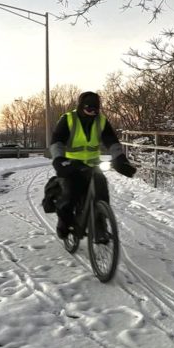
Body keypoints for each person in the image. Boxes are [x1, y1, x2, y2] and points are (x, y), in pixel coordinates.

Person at [50, 91, 137, 239]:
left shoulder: (101, 121)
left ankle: (100, 225)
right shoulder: (69, 119)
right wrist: (58, 159)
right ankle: (64, 223)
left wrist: (120, 158)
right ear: (81, 107)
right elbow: (57, 141)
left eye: (96, 109)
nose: (93, 113)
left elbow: (112, 141)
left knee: (101, 189)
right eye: (89, 109)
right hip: (71, 165)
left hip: (93, 165)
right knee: (69, 195)